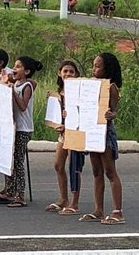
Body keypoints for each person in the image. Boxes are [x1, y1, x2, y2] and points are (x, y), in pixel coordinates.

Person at [0, 56, 43, 208]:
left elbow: (22, 106)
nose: (15, 69)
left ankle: (20, 195)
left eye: (19, 67)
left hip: (23, 129)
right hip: (12, 127)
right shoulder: (17, 83)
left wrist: (11, 90)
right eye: (15, 66)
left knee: (18, 162)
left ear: (26, 71)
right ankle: (10, 190)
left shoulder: (26, 86)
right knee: (9, 160)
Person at [79, 52, 125, 225]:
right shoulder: (91, 85)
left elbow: (114, 111)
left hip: (104, 132)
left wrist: (110, 114)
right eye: (93, 65)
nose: (94, 69)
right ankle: (98, 210)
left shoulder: (111, 87)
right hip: (92, 131)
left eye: (98, 66)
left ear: (107, 68)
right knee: (96, 171)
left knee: (109, 171)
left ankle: (117, 212)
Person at [45, 60, 85, 215]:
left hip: (75, 133)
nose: (68, 74)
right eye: (65, 71)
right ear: (59, 73)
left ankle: (74, 203)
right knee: (58, 165)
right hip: (63, 134)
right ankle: (63, 199)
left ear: (76, 75)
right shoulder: (58, 93)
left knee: (74, 167)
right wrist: (57, 125)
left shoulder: (80, 92)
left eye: (71, 71)